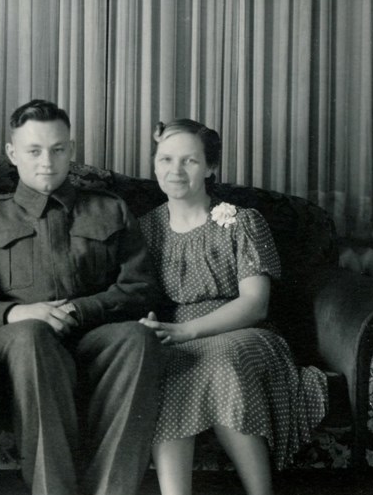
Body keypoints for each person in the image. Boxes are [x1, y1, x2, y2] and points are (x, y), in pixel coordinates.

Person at [0, 99, 166, 495]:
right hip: (20, 344)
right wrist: (19, 313)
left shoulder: (110, 210)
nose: (47, 162)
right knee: (31, 336)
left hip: (94, 337)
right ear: (12, 154)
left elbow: (140, 289)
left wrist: (79, 308)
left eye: (58, 149)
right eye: (33, 151)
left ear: (71, 151)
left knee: (139, 339)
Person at [138, 119, 329, 495]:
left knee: (221, 362)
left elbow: (256, 305)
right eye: (166, 159)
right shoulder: (146, 228)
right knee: (170, 367)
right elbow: (135, 293)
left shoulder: (241, 222)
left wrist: (188, 331)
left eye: (189, 161)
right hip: (177, 337)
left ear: (210, 167)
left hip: (243, 332)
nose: (175, 171)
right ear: (155, 163)